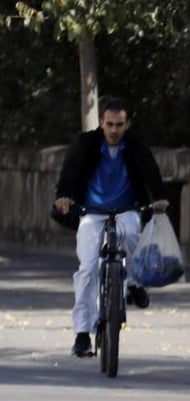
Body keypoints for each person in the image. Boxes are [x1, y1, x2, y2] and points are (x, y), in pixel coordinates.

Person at [54, 96, 169, 357]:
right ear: (101, 124)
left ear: (127, 124)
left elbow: (150, 171)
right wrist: (64, 196)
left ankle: (133, 284)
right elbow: (69, 173)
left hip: (126, 210)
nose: (115, 130)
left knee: (132, 239)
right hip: (92, 213)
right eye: (110, 125)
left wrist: (159, 197)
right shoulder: (86, 144)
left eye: (119, 125)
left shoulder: (135, 145)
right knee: (87, 269)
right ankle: (82, 334)